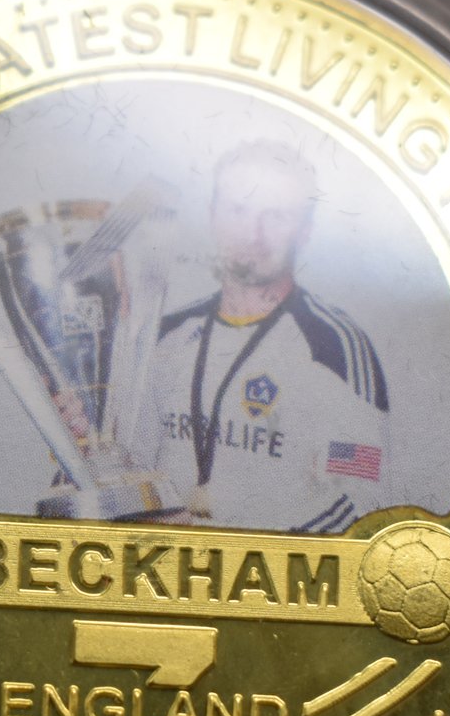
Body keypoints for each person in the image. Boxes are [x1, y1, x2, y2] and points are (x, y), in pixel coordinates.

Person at [138, 139, 391, 533]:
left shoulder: (334, 347)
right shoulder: (164, 337)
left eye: (276, 216)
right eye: (238, 210)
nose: (253, 234)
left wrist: (234, 541)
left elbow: (361, 502)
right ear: (212, 217)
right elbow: (128, 466)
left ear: (305, 231)